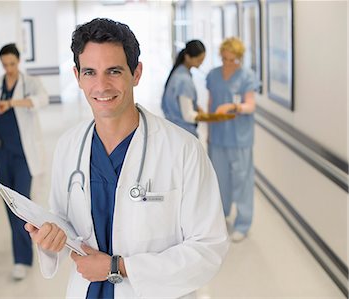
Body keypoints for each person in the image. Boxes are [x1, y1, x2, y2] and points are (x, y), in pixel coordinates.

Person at [25, 18, 228, 298]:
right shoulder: (69, 146)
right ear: (77, 77)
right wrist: (50, 237)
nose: (101, 86)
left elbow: (208, 249)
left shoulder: (183, 150)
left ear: (136, 73)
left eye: (114, 71)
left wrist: (117, 267)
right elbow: (63, 220)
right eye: (90, 73)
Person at [0, 43, 48, 280]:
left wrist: (12, 103)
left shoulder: (29, 83)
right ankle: (21, 255)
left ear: (19, 61)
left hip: (23, 155)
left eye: (12, 64)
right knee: (10, 205)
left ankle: (23, 258)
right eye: (5, 65)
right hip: (0, 153)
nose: (9, 69)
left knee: (22, 205)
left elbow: (41, 100)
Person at [205, 37, 258, 243]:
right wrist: (209, 131)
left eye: (233, 60)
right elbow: (210, 103)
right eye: (225, 59)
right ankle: (223, 215)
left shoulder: (247, 76)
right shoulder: (213, 75)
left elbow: (250, 105)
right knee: (220, 180)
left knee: (242, 181)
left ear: (240, 58)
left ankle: (243, 223)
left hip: (240, 137)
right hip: (218, 136)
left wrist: (234, 107)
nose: (229, 64)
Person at [161, 40, 206, 137]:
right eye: (199, 60)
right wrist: (207, 117)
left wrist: (195, 106)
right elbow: (188, 115)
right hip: (183, 133)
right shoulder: (184, 80)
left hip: (174, 131)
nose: (201, 63)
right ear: (188, 57)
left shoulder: (177, 73)